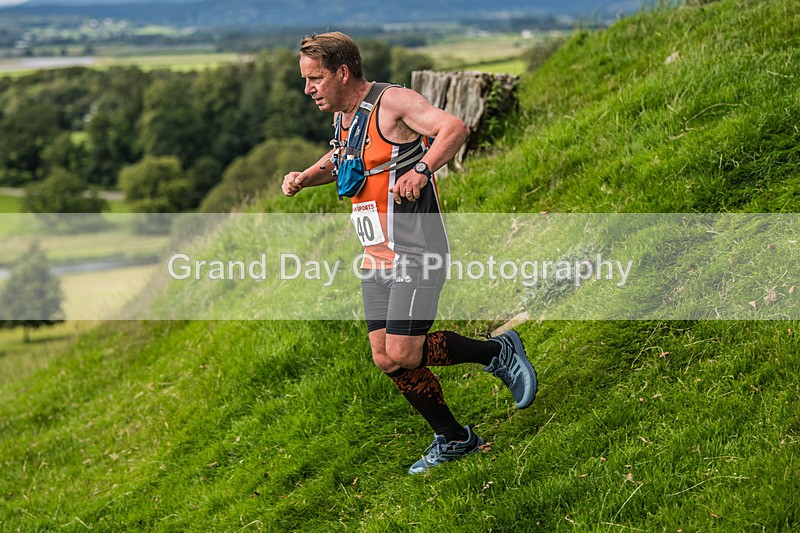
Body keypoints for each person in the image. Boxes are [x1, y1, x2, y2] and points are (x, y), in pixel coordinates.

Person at [281, 31, 538, 474]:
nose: (309, 89)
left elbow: (453, 128)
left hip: (416, 250)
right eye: (307, 80)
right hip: (376, 256)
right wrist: (306, 176)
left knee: (403, 351)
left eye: (315, 79)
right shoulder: (344, 117)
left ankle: (497, 353)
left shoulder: (394, 103)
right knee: (385, 357)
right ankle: (455, 438)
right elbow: (343, 159)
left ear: (342, 72)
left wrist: (421, 169)